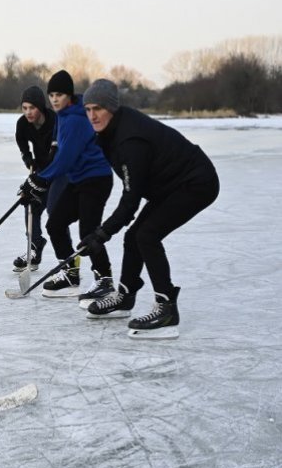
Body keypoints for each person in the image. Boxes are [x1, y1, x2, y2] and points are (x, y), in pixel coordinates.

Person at [80, 79, 220, 339]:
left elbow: (131, 199)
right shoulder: (112, 131)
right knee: (134, 236)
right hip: (170, 184)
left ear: (111, 108)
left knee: (147, 235)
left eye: (97, 108)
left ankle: (166, 308)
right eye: (87, 109)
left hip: (196, 183)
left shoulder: (130, 140)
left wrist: (101, 234)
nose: (92, 115)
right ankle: (125, 295)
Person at [19, 70, 115, 304]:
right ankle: (70, 273)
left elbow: (66, 158)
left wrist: (40, 180)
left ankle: (104, 280)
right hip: (77, 179)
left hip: (95, 179)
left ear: (69, 95)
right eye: (51, 94)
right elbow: (60, 154)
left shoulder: (77, 118)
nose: (54, 99)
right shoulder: (63, 115)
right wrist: (36, 180)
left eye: (59, 94)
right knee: (55, 223)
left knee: (88, 232)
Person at [12, 85, 57, 272]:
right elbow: (21, 140)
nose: (28, 112)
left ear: (41, 107)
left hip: (57, 171)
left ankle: (69, 265)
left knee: (56, 217)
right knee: (30, 204)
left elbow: (58, 154)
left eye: (32, 108)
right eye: (25, 108)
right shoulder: (22, 123)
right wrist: (26, 156)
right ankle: (34, 248)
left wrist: (42, 177)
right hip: (38, 168)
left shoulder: (55, 121)